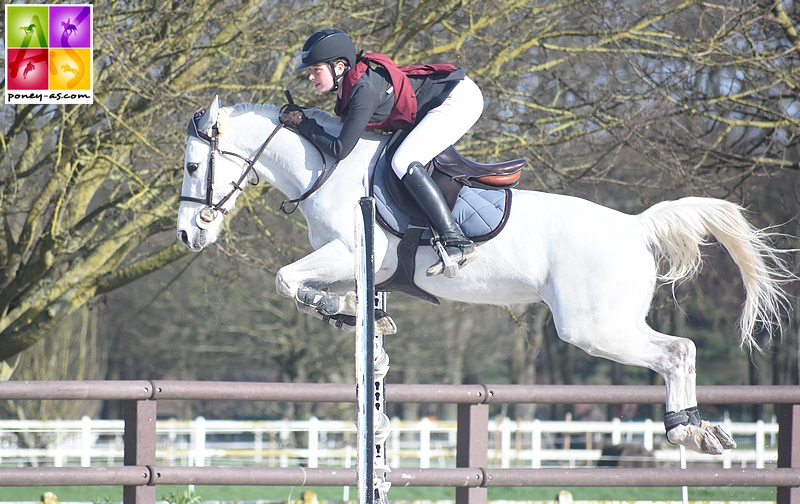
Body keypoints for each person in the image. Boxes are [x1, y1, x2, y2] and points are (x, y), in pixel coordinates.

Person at [280, 28, 484, 278]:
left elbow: (340, 149)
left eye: (316, 70)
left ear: (340, 66)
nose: (311, 77)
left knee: (403, 161)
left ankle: (456, 241)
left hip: (458, 99)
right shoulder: (350, 86)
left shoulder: (362, 90)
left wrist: (304, 123)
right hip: (434, 103)